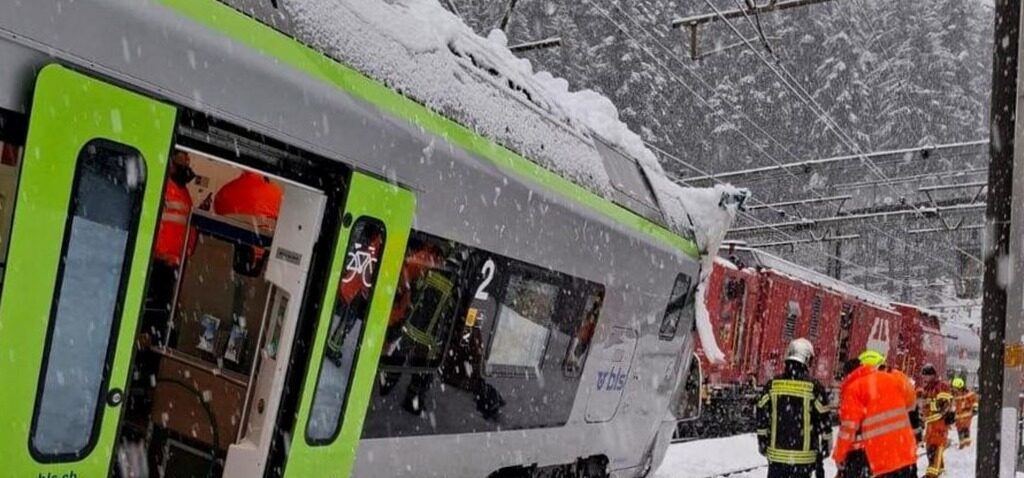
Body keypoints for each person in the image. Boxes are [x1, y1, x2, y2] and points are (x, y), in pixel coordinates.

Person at [833, 350, 917, 478]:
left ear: (848, 375)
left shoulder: (854, 388)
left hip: (882, 460)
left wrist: (839, 456)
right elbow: (911, 403)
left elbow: (848, 427)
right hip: (905, 454)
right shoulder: (892, 379)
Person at [755, 338, 831, 478]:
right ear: (807, 359)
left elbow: (761, 416)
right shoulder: (814, 387)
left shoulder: (773, 385)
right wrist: (826, 445)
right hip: (804, 460)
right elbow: (824, 420)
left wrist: (762, 441)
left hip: (776, 458)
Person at [919, 364, 954, 478]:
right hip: (930, 423)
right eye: (923, 376)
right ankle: (940, 470)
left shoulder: (941, 386)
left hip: (939, 422)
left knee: (936, 447)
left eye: (927, 376)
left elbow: (945, 404)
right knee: (930, 448)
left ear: (933, 375)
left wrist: (931, 407)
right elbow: (923, 406)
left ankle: (932, 474)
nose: (925, 378)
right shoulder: (926, 389)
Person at [951, 377, 976, 449]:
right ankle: (963, 446)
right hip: (959, 420)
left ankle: (966, 447)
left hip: (966, 418)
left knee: (965, 431)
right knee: (961, 432)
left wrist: (974, 409)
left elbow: (974, 402)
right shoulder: (956, 396)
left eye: (955, 388)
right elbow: (954, 407)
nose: (954, 389)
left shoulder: (968, 395)